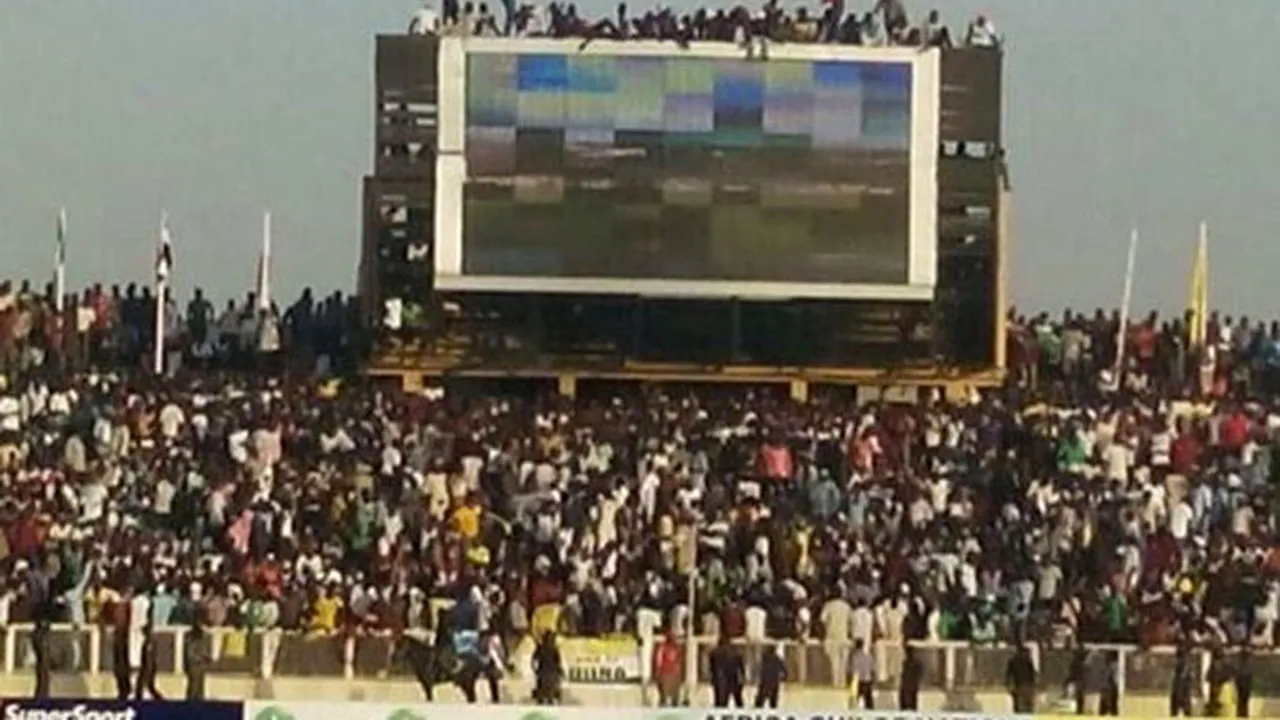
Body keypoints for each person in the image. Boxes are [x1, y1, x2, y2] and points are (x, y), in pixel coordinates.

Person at [708, 633, 744, 708]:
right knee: (738, 702)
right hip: (733, 680)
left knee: (720, 702)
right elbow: (740, 667)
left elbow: (711, 668)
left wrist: (712, 679)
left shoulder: (714, 652)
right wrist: (742, 678)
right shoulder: (736, 652)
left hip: (720, 679)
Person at [532, 630, 563, 705]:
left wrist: (535, 670)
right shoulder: (552, 648)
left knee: (545, 694)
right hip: (548, 673)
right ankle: (548, 700)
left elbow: (534, 660)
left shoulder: (542, 648)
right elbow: (558, 662)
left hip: (545, 673)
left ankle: (546, 699)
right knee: (548, 694)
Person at [652, 630, 683, 707]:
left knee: (675, 697)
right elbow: (658, 661)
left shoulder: (677, 648)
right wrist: (657, 673)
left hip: (674, 674)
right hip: (665, 674)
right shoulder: (662, 648)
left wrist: (679, 673)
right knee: (664, 696)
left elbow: (679, 661)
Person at [135, 619, 164, 700]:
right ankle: (159, 699)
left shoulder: (150, 642)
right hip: (148, 667)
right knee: (149, 686)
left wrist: (147, 670)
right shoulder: (149, 641)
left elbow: (149, 657)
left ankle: (139, 700)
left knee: (142, 685)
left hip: (148, 668)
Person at [1004, 642, 1036, 713]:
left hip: (1019, 685)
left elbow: (1009, 674)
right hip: (1024, 685)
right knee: (1027, 705)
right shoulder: (1027, 660)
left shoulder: (1013, 660)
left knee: (1019, 705)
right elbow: (1032, 674)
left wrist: (1008, 684)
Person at [184, 621, 210, 700]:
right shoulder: (190, 638)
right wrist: (200, 657)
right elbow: (190, 653)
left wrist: (206, 657)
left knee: (199, 685)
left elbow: (204, 651)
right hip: (194, 665)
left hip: (200, 665)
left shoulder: (202, 637)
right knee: (194, 685)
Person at [755, 644, 785, 709]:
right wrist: (783, 678)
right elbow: (784, 670)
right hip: (774, 681)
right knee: (773, 701)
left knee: (760, 701)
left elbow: (759, 668)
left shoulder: (764, 658)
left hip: (765, 681)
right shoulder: (777, 658)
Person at [847, 638, 875, 710]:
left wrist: (848, 683)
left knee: (853, 704)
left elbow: (850, 671)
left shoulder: (853, 657)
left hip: (856, 681)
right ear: (862, 646)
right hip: (867, 681)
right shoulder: (868, 656)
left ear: (855, 646)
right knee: (869, 705)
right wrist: (872, 682)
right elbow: (872, 670)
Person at [1170, 644, 1194, 717]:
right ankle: (1179, 711)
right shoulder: (1182, 660)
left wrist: (1181, 678)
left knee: (1182, 698)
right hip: (1180, 683)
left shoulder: (1185, 661)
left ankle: (1183, 711)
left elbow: (1185, 672)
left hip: (1182, 684)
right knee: (1180, 699)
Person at [31, 619, 50, 700]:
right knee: (43, 665)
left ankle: (41, 693)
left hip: (40, 631)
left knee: (42, 666)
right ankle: (42, 694)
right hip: (41, 632)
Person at [111, 624, 132, 700]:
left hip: (121, 668)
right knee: (122, 686)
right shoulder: (121, 644)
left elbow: (121, 657)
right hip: (121, 668)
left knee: (123, 686)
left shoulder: (120, 644)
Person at [898, 645, 922, 711]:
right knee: (908, 701)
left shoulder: (911, 663)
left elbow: (905, 674)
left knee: (910, 701)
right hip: (909, 684)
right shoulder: (906, 662)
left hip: (910, 684)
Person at [1236, 647, 1253, 718]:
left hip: (1245, 684)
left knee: (1244, 701)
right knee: (1241, 701)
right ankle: (1241, 715)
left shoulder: (1248, 665)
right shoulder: (1240, 664)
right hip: (1242, 684)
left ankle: (1243, 715)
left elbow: (1250, 676)